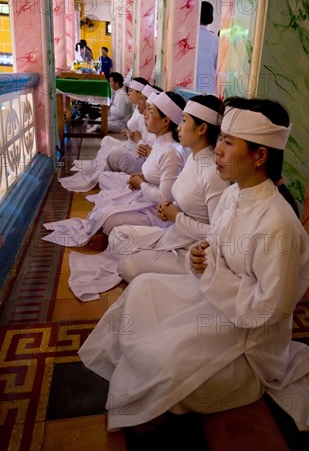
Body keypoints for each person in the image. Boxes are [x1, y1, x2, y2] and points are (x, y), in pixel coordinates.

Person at [78, 97, 309, 432]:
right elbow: (218, 244)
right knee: (143, 290)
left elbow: (268, 309)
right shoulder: (236, 195)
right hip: (214, 297)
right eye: (220, 140)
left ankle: (234, 380)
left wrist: (210, 272)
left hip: (249, 338)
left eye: (227, 142)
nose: (218, 151)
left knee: (166, 360)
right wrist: (202, 256)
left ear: (260, 156)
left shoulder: (278, 224)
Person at [67, 95, 229, 301]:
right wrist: (169, 209)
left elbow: (217, 234)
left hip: (190, 250)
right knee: (117, 235)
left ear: (202, 129)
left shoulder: (213, 174)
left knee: (128, 264)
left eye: (185, 120)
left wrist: (176, 216)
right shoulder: (194, 158)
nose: (179, 126)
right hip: (173, 232)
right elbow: (179, 197)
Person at [43, 91, 187, 250]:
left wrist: (141, 184)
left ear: (166, 120)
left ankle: (107, 235)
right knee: (105, 205)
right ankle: (106, 234)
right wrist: (141, 177)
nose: (145, 114)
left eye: (151, 111)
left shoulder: (172, 151)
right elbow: (156, 174)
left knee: (109, 217)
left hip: (157, 212)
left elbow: (165, 198)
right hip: (143, 197)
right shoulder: (161, 143)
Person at [58, 78, 153, 192]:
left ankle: (102, 175)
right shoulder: (140, 110)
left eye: (132, 91)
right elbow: (139, 136)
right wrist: (130, 134)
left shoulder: (145, 116)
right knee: (107, 140)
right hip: (132, 144)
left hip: (137, 153)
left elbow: (144, 143)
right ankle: (100, 172)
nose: (129, 93)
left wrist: (136, 139)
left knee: (113, 151)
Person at [196, 1, 219, 95]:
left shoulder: (187, 38)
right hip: (208, 90)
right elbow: (218, 66)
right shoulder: (216, 39)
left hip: (185, 88)